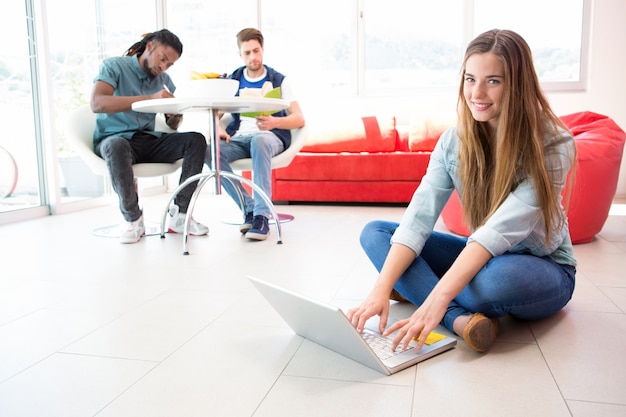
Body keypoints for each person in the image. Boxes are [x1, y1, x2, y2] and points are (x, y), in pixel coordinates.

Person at [347, 29, 577, 353]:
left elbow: (497, 232)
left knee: (494, 283)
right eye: (470, 79)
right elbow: (418, 218)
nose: (477, 92)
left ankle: (420, 289)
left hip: (542, 265)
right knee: (376, 234)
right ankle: (458, 320)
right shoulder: (453, 142)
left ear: (518, 84)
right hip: (482, 256)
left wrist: (436, 299)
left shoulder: (554, 145)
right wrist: (380, 290)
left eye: (493, 81)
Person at [91, 29, 209, 244]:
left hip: (147, 140)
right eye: (162, 59)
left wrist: (174, 114)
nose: (163, 67)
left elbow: (173, 124)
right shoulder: (115, 66)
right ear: (150, 46)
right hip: (115, 139)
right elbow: (97, 103)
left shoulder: (164, 80)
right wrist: (149, 98)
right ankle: (133, 219)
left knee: (196, 140)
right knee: (117, 145)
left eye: (169, 64)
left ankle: (180, 215)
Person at [207, 28, 305, 241]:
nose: (253, 57)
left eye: (256, 51)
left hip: (270, 137)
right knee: (209, 151)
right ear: (240, 55)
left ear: (263, 50)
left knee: (260, 140)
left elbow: (299, 118)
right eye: (247, 53)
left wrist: (274, 122)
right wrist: (220, 129)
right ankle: (249, 208)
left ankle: (261, 216)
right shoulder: (233, 80)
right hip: (239, 138)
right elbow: (216, 114)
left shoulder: (279, 80)